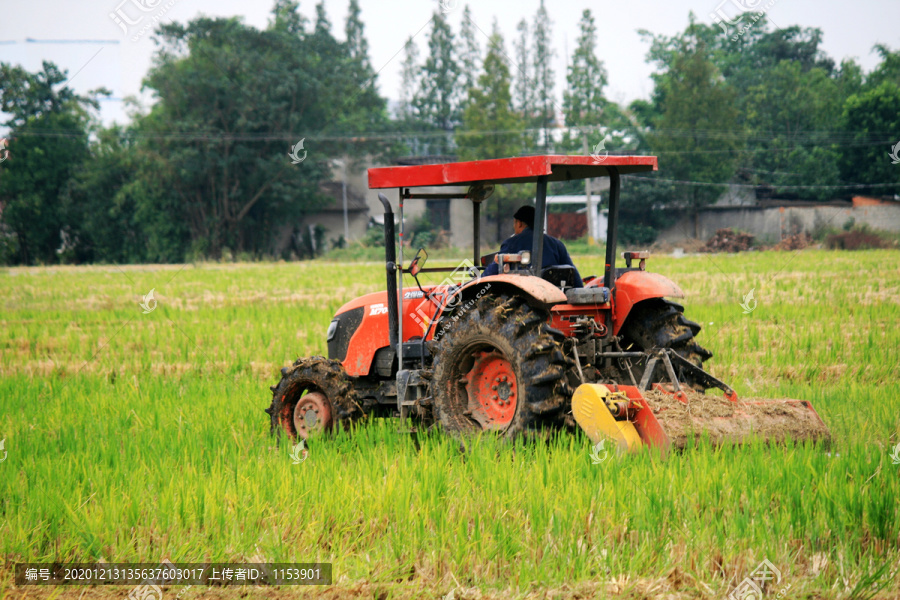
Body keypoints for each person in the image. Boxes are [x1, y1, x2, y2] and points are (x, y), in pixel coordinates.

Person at [483, 205, 583, 287]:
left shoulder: (511, 244)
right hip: (556, 295)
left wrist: (479, 280)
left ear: (519, 224)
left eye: (515, 223)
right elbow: (573, 275)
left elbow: (492, 272)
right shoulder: (557, 244)